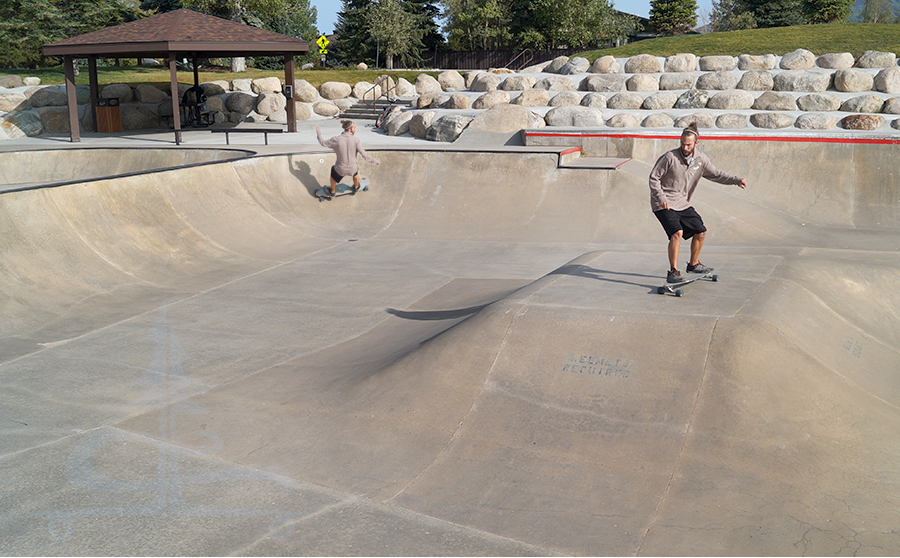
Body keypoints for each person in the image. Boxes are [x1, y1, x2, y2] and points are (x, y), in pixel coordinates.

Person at [649, 123, 747, 283]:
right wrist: (661, 198)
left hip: (681, 202)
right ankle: (673, 272)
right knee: (677, 233)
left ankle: (693, 264)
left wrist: (736, 180)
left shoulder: (701, 160)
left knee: (700, 231)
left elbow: (716, 174)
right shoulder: (670, 157)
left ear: (696, 143)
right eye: (682, 143)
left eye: (688, 144)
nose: (685, 147)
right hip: (663, 202)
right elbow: (654, 177)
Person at [316, 120, 380, 197]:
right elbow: (364, 155)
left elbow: (323, 143)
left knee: (333, 171)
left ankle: (332, 191)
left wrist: (318, 132)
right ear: (349, 129)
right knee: (355, 171)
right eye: (354, 128)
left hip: (340, 169)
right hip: (352, 169)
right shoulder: (356, 140)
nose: (355, 129)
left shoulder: (336, 139)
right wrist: (375, 161)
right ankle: (356, 186)